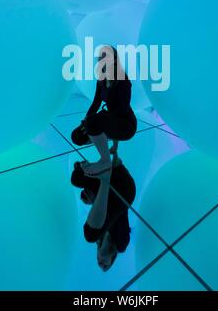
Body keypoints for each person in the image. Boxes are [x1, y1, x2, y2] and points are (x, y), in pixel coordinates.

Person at [71, 45, 137, 176]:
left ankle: (105, 162)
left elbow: (122, 111)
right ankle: (97, 136)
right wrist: (84, 123)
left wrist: (98, 120)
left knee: (93, 122)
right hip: (112, 120)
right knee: (77, 135)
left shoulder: (123, 80)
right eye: (100, 58)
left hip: (127, 125)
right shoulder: (101, 80)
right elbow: (96, 103)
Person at [71, 155, 136, 272]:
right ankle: (115, 167)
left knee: (75, 179)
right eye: (105, 265)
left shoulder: (100, 235)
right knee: (90, 235)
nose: (101, 263)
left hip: (109, 189)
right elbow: (115, 213)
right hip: (124, 193)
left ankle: (99, 169)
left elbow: (105, 212)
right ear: (112, 258)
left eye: (98, 261)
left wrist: (93, 201)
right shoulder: (121, 245)